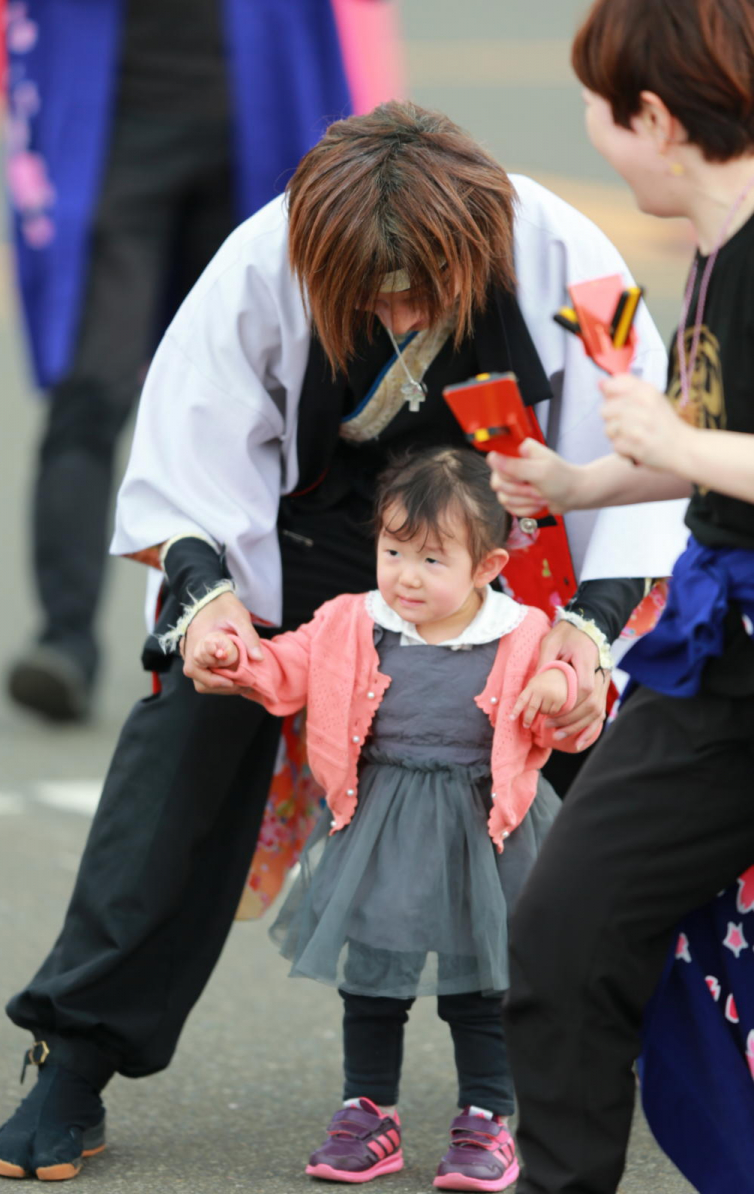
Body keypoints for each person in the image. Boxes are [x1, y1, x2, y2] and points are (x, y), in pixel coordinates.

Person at [0, 102, 687, 1183]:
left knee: (630, 757)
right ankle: (76, 1050)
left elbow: (637, 459)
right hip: (319, 546)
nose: (395, 306)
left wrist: (587, 644)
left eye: (418, 286)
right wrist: (208, 606)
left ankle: (662, 1044)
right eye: (370, 290)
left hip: (519, 543)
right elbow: (188, 463)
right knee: (188, 724)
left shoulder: (567, 257)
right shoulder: (263, 257)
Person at [486, 0, 754, 1190]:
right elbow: (708, 437)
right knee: (564, 933)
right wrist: (582, 474)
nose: (589, 130)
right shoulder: (709, 246)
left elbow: (707, 445)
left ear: (652, 115)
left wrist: (677, 444)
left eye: (598, 108)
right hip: (715, 653)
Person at [1, 0, 394, 720]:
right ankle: (65, 641)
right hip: (107, 125)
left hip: (266, 114)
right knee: (92, 388)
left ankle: (269, 629)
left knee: (282, 382)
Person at [202, 445, 579, 1189]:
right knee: (372, 980)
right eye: (393, 549)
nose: (406, 574)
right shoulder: (349, 621)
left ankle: (485, 1119)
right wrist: (239, 658)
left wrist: (561, 690)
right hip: (382, 823)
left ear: (488, 567)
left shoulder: (523, 632)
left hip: (486, 827)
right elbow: (286, 668)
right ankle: (367, 1111)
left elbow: (574, 715)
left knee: (483, 984)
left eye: (432, 560)